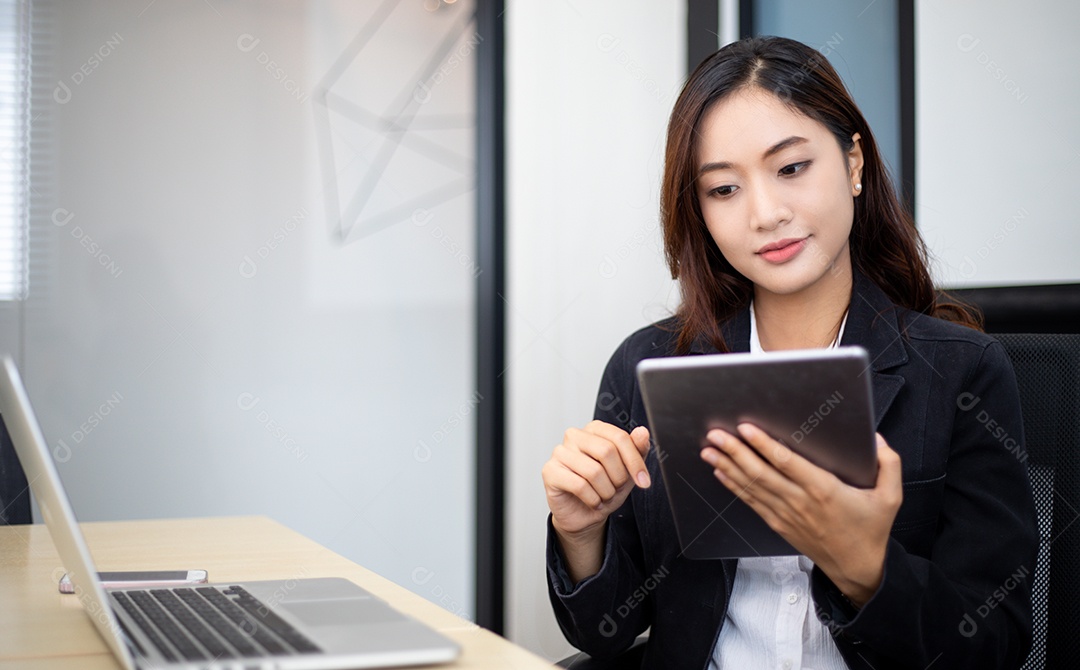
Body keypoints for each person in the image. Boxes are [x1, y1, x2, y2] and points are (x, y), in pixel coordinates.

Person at [542, 36, 1037, 670]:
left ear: (854, 164)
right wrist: (582, 535)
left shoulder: (962, 372)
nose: (766, 214)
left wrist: (863, 567)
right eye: (723, 189)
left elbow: (993, 647)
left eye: (792, 168)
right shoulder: (650, 368)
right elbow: (607, 634)